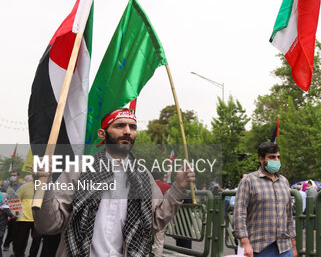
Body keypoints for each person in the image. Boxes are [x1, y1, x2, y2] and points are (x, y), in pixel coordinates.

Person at [33, 108, 195, 257]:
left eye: (132, 127)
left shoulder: (143, 175)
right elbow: (49, 225)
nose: (127, 131)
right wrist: (44, 184)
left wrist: (178, 187)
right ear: (102, 134)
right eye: (120, 125)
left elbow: (155, 221)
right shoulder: (79, 170)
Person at [233, 142, 296, 257]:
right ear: (261, 159)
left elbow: (289, 215)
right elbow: (239, 214)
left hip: (284, 248)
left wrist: (293, 245)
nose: (276, 160)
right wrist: (245, 242)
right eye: (272, 157)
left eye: (278, 157)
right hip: (259, 248)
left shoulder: (284, 181)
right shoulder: (248, 181)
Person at [13, 175, 41, 257]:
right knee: (20, 240)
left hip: (39, 220)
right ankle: (19, 254)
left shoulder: (46, 188)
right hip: (23, 218)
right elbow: (14, 199)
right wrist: (16, 214)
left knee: (37, 240)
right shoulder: (25, 187)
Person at [151, 171, 171, 257]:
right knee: (159, 240)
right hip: (162, 215)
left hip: (150, 214)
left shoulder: (149, 186)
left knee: (146, 238)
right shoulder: (167, 187)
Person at [2, 171, 22, 252]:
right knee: (2, 229)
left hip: (14, 211)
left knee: (12, 230)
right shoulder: (5, 186)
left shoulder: (21, 186)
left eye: (14, 175)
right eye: (11, 175)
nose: (12, 177)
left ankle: (7, 244)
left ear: (18, 176)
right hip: (4, 210)